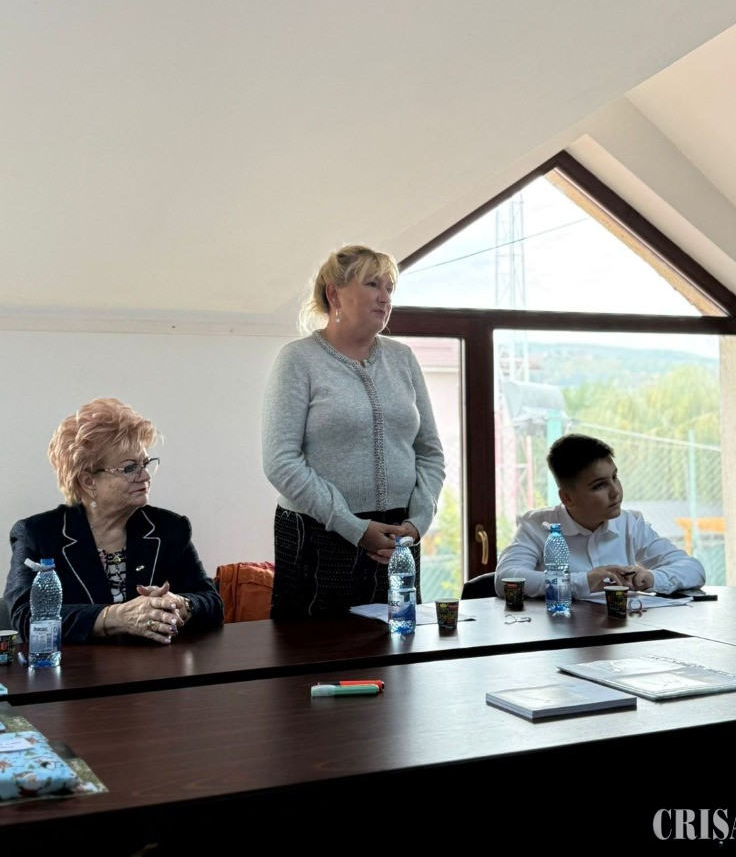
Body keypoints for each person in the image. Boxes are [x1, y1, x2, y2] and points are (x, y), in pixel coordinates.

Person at [262, 243, 445, 620]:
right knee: (316, 649)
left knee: (398, 645)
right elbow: (280, 461)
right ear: (334, 294)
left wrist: (417, 523)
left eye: (389, 288)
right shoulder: (298, 360)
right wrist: (354, 528)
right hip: (318, 533)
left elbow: (430, 452)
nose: (385, 298)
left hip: (398, 538)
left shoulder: (403, 359)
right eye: (373, 284)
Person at [4, 397, 224, 644]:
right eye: (130, 468)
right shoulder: (38, 534)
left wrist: (180, 604)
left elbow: (212, 602)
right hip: (76, 668)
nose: (145, 476)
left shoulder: (169, 528)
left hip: (157, 664)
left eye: (145, 464)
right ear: (88, 481)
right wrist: (117, 617)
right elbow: (27, 619)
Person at [494, 432, 706, 599]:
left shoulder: (630, 524)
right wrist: (585, 581)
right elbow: (506, 578)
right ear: (567, 497)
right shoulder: (537, 526)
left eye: (615, 477)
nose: (616, 491)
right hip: (560, 635)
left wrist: (651, 578)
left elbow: (693, 569)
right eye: (599, 485)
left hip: (623, 631)